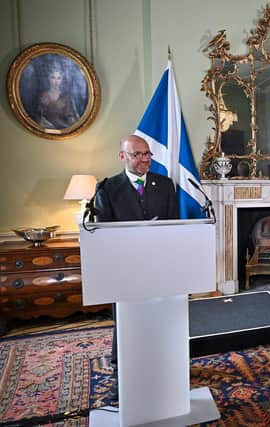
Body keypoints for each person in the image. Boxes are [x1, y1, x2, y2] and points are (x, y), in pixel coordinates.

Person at [94, 135, 179, 400]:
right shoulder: (107, 189)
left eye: (147, 154)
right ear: (123, 157)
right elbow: (102, 233)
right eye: (137, 155)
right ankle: (123, 375)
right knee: (126, 321)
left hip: (159, 266)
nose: (144, 160)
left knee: (161, 318)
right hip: (125, 269)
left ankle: (165, 368)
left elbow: (173, 227)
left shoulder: (165, 185)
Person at [36, 63, 79, 129]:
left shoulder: (66, 97)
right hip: (46, 130)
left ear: (61, 80)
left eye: (58, 78)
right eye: (53, 77)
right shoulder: (43, 96)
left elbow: (72, 117)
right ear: (48, 78)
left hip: (64, 129)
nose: (56, 81)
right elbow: (38, 116)